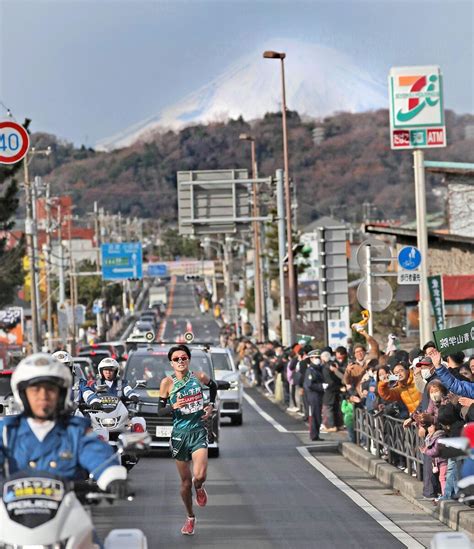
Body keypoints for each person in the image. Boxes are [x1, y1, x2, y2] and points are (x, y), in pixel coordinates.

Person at [0, 353, 128, 494]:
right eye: (35, 390)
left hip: (67, 508)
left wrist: (112, 476)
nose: (43, 396)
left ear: (61, 394)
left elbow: (97, 455)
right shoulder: (6, 431)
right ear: (23, 395)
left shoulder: (76, 430)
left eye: (50, 389)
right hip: (12, 509)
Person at [158, 344, 217, 536]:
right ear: (171, 363)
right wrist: (173, 406)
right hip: (179, 435)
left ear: (189, 360)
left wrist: (210, 406)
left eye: (183, 358)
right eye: (176, 359)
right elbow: (160, 411)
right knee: (185, 483)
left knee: (198, 476)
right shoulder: (167, 383)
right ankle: (190, 517)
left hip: (197, 431)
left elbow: (213, 386)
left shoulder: (198, 377)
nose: (180, 361)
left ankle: (199, 487)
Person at [304, 350, 325, 441]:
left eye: (318, 357)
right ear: (311, 359)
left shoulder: (318, 368)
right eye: (315, 357)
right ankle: (314, 435)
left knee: (317, 415)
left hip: (318, 395)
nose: (317, 359)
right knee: (314, 415)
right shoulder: (310, 370)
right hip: (313, 395)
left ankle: (316, 434)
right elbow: (310, 384)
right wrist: (321, 386)